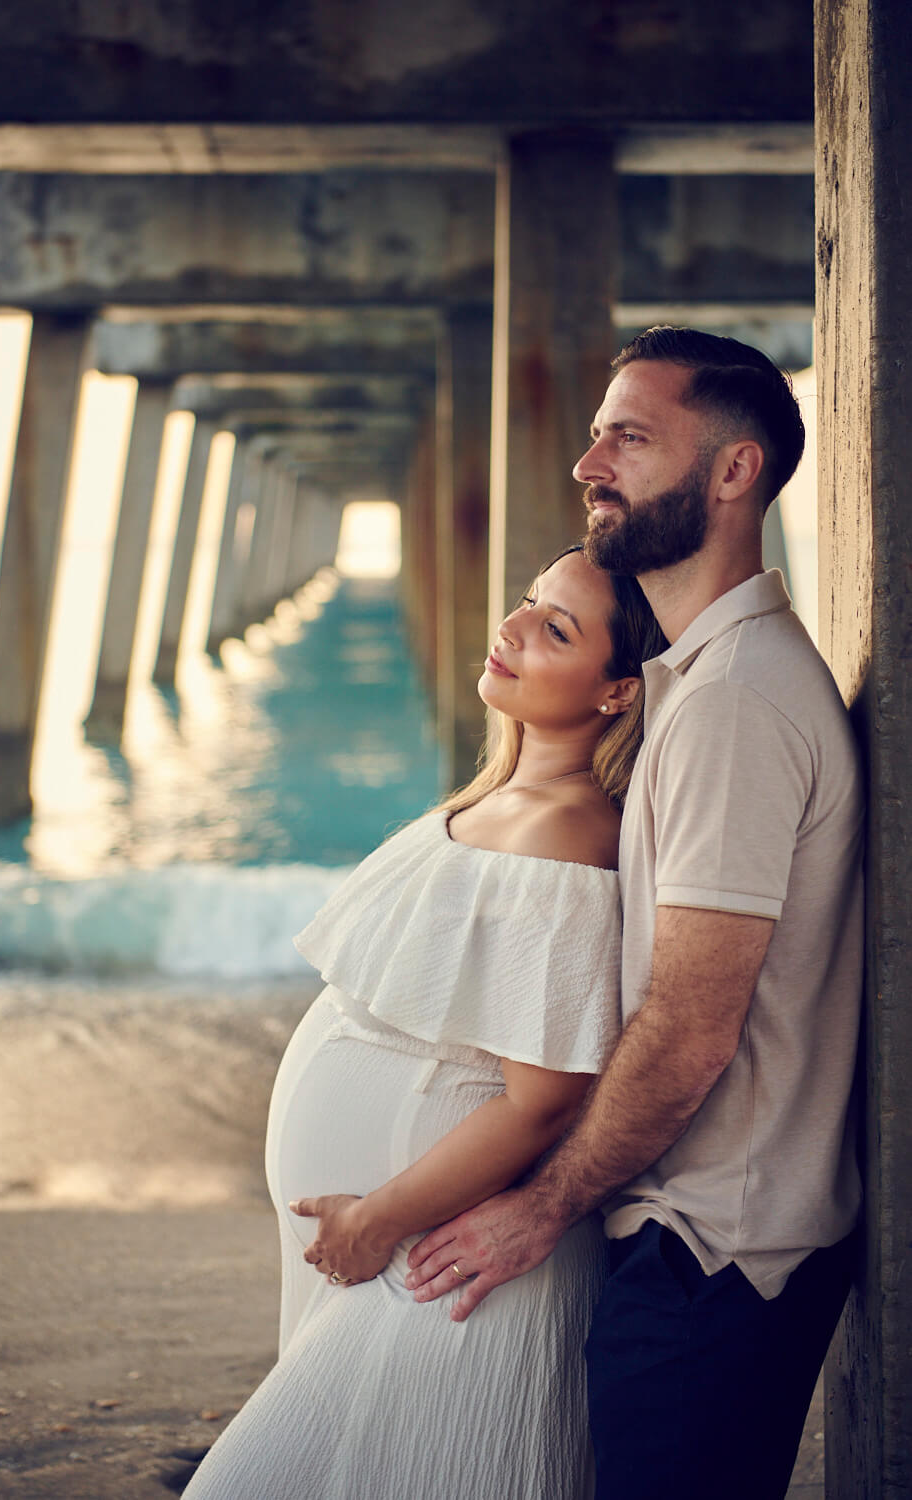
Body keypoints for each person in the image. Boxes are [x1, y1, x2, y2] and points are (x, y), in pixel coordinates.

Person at [406, 327, 865, 1500]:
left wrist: (537, 1211)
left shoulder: (733, 707)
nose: (587, 463)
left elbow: (692, 1022)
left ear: (731, 472)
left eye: (628, 436)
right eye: (598, 432)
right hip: (698, 1242)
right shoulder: (703, 684)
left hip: (710, 1252)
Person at [183, 545, 666, 1500]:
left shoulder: (567, 831)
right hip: (398, 1250)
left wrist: (376, 1218)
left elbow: (543, 1103)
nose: (515, 626)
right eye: (530, 602)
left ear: (618, 693)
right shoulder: (503, 797)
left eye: (556, 629)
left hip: (437, 1263)